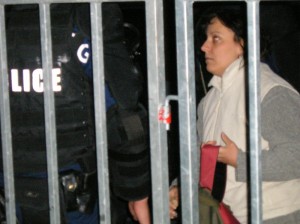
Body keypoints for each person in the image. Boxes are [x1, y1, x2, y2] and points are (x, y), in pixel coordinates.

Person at [0, 3, 151, 224]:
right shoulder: (84, 19)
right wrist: (136, 194)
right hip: (75, 203)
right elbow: (124, 117)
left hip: (12, 200)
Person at [170, 5, 300, 224]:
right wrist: (179, 187)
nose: (204, 47)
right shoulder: (208, 101)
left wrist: (240, 160)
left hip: (275, 216)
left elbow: (296, 156)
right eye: (205, 38)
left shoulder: (270, 92)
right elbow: (199, 158)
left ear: (243, 44)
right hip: (224, 216)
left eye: (216, 38)